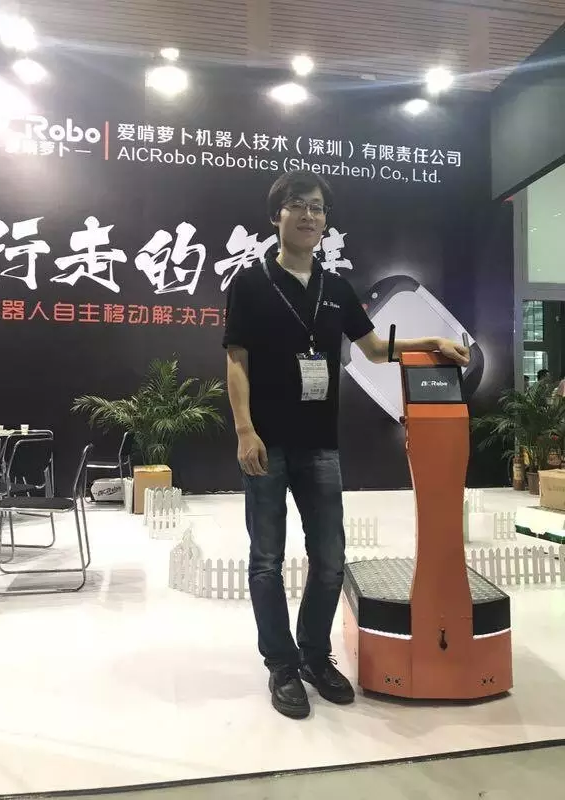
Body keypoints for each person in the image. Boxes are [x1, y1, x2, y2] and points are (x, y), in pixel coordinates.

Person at [223, 170, 469, 720]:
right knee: (266, 561)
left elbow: (375, 349)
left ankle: (313, 654)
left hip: (319, 446)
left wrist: (431, 340)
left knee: (331, 560)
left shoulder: (335, 288)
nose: (309, 215)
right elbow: (236, 361)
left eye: (317, 207)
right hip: (267, 444)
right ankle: (281, 664)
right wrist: (244, 429)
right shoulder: (250, 283)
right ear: (277, 216)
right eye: (297, 205)